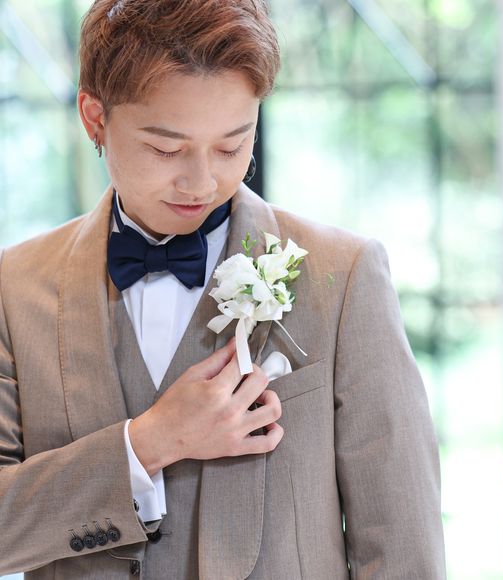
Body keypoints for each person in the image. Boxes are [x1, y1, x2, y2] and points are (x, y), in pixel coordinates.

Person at [0, 0, 446, 578]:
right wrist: (149, 443)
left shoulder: (346, 276)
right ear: (94, 118)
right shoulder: (14, 287)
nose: (202, 181)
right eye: (166, 148)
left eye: (233, 145)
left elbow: (404, 546)